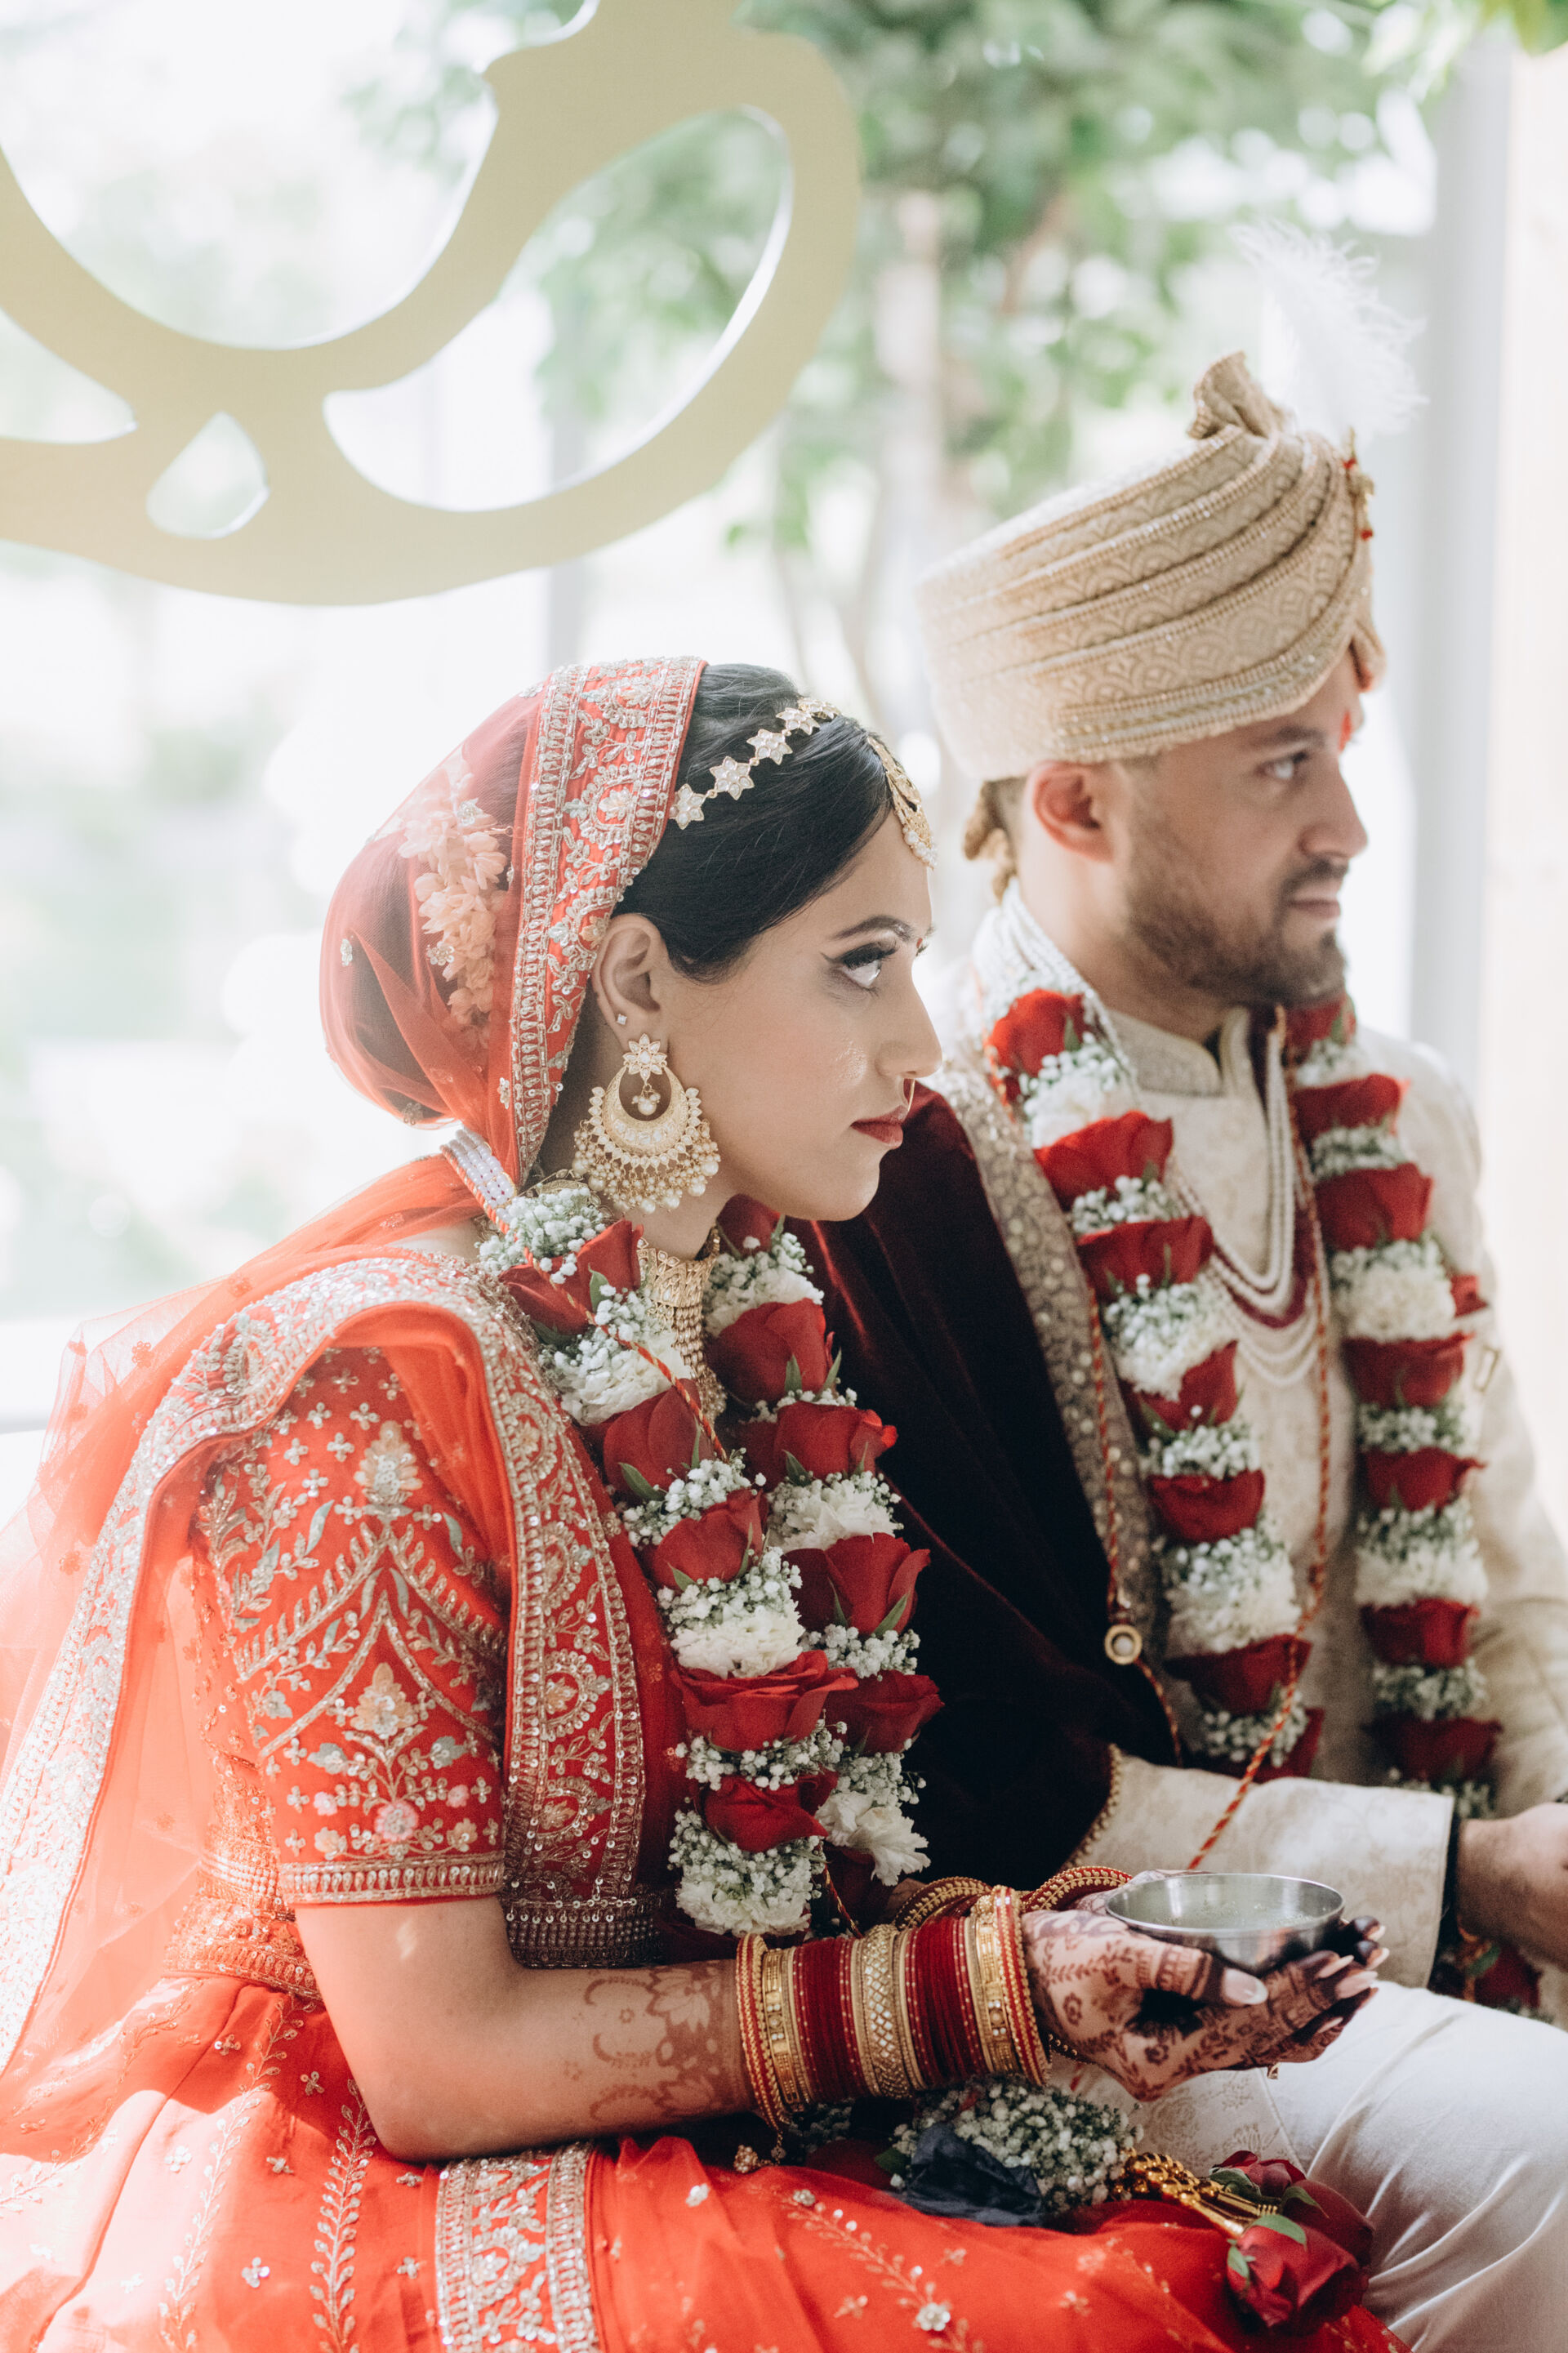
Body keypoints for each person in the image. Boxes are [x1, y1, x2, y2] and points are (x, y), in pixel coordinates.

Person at [0, 656, 1396, 2351]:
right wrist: (983, 1995)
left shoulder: (745, 1318)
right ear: (642, 981)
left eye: (916, 961)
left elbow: (799, 1890)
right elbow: (435, 2063)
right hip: (368, 2156)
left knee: (1238, 2274)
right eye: (863, 962)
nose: (922, 1040)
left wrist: (1054, 1966)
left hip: (692, 2124)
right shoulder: (371, 1386)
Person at [799, 354, 1568, 2349]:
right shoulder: (908, 1160)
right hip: (1126, 1988)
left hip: (1453, 1913)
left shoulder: (1399, 1112)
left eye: (1343, 749)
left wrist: (1550, 1843)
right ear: (1075, 799)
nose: (1352, 825)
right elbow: (989, 1773)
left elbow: (1505, 1584)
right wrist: (1480, 1873)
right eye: (1281, 764)